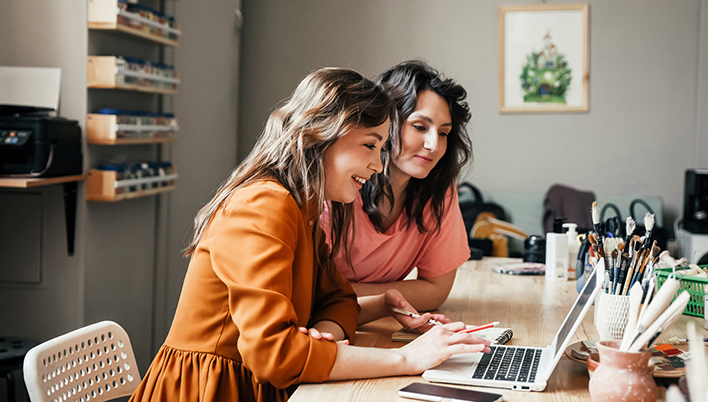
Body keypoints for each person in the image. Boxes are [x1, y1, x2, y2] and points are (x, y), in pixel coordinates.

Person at [128, 68, 490, 402]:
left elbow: (338, 300)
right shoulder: (265, 205)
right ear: (319, 135)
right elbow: (274, 355)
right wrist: (405, 358)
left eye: (381, 149)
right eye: (370, 145)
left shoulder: (305, 207)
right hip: (212, 390)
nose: (378, 165)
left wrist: (362, 314)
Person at [321, 60, 473, 316]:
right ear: (385, 122)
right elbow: (310, 293)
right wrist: (391, 295)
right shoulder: (336, 187)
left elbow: (436, 291)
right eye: (420, 127)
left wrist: (346, 293)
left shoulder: (439, 191)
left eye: (444, 133)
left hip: (359, 320)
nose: (434, 145)